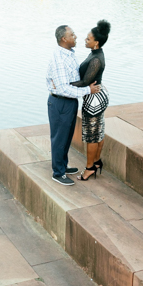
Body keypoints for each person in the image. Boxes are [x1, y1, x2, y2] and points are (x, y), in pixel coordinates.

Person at [46, 25, 100, 186]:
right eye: (72, 34)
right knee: (59, 138)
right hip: (60, 101)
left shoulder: (68, 54)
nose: (76, 36)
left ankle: (63, 165)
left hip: (68, 101)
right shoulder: (59, 59)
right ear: (64, 39)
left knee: (67, 136)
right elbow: (63, 88)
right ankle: (58, 172)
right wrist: (87, 90)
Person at [72, 20, 111, 181]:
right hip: (99, 94)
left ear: (96, 42)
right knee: (98, 131)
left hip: (94, 99)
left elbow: (84, 82)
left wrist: (64, 84)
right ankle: (96, 162)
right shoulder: (96, 53)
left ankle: (89, 169)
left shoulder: (96, 59)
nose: (85, 40)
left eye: (88, 39)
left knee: (91, 135)